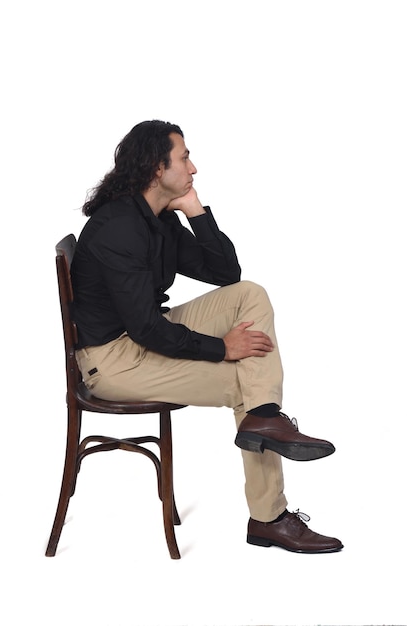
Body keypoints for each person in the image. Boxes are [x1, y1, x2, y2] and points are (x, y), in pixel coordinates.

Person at [71, 120, 343, 554]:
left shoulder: (156, 218)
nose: (193, 167)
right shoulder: (119, 228)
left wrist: (196, 211)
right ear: (157, 168)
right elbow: (144, 328)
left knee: (248, 295)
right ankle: (269, 516)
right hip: (115, 360)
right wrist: (222, 349)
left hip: (141, 336)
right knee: (245, 386)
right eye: (184, 158)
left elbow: (226, 275)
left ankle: (265, 417)